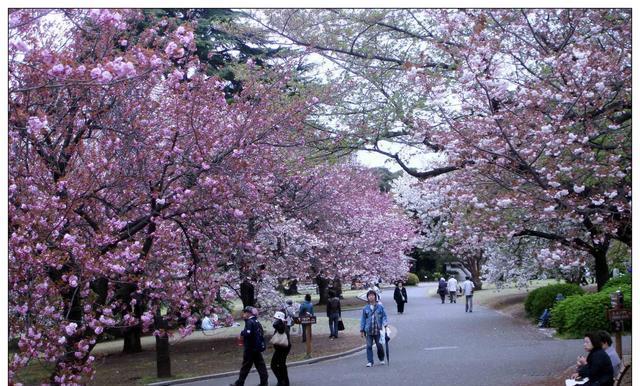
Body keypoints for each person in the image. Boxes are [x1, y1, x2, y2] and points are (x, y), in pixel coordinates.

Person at [230, 306, 268, 386]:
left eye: (245, 312)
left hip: (250, 348)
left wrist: (242, 333)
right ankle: (264, 382)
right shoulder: (256, 321)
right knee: (260, 365)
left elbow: (248, 333)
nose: (244, 314)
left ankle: (240, 383)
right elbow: (261, 332)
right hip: (257, 347)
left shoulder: (249, 322)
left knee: (246, 366)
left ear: (249, 313)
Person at [360, 289, 388, 367]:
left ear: (375, 297)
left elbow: (384, 316)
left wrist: (385, 324)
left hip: (378, 330)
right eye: (369, 296)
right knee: (369, 346)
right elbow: (363, 319)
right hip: (368, 330)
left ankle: (381, 358)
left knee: (379, 345)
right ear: (367, 298)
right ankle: (370, 361)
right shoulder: (365, 308)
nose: (371, 297)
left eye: (372, 295)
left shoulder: (380, 307)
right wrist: (362, 330)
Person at [271, 311, 291, 386]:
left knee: (276, 365)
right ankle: (283, 381)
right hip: (282, 347)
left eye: (276, 318)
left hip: (282, 348)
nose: (274, 319)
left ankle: (282, 381)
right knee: (281, 365)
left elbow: (275, 325)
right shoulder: (282, 325)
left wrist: (279, 319)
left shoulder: (281, 325)